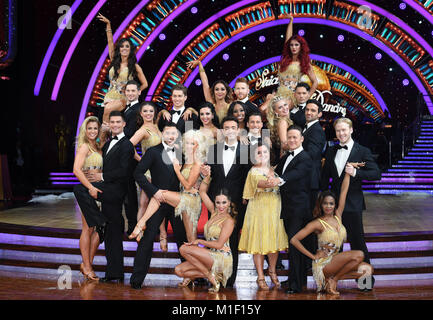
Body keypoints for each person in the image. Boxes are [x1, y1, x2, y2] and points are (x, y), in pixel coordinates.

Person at [291, 166, 374, 295]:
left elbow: (344, 191)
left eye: (331, 204)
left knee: (367, 269)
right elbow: (294, 240)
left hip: (336, 261)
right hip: (324, 264)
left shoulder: (338, 216)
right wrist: (313, 256)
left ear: (335, 205)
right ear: (321, 205)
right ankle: (331, 279)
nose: (328, 206)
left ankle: (332, 280)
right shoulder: (317, 223)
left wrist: (348, 173)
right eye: (325, 203)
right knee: (359, 254)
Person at [74, 111, 135, 283]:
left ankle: (98, 220)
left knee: (80, 190)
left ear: (124, 124)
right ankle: (111, 272)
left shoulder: (126, 144)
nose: (115, 124)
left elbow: (124, 170)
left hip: (112, 191)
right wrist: (96, 178)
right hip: (104, 191)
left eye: (118, 122)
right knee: (110, 232)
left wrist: (101, 177)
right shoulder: (105, 145)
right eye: (112, 122)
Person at [320, 118, 381, 289]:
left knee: (358, 243)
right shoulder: (331, 151)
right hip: (333, 208)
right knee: (334, 244)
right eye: (338, 131)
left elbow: (376, 174)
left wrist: (355, 172)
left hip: (353, 206)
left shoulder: (362, 151)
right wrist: (323, 203)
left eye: (344, 130)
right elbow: (325, 179)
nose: (341, 133)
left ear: (351, 130)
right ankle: (331, 282)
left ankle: (366, 282)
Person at [130, 122, 188, 289]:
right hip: (158, 201)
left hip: (176, 201)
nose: (171, 136)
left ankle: (192, 275)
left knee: (182, 239)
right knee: (148, 239)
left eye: (174, 133)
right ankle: (137, 279)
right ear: (162, 133)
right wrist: (153, 191)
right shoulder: (153, 152)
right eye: (168, 133)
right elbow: (138, 173)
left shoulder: (181, 153)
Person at [129, 130, 207, 244]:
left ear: (198, 145)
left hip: (191, 200)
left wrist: (177, 170)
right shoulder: (185, 159)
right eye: (187, 143)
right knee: (190, 240)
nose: (189, 146)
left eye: (193, 144)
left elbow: (188, 185)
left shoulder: (197, 162)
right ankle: (143, 225)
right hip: (183, 198)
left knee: (160, 194)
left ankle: (140, 224)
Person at [204, 116, 250, 287]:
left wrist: (245, 198)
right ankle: (213, 277)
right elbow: (210, 175)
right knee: (213, 235)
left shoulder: (245, 150)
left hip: (237, 202)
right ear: (222, 131)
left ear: (238, 130)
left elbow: (247, 177)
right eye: (226, 128)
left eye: (233, 127)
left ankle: (229, 279)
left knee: (232, 240)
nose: (230, 130)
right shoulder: (213, 149)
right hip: (216, 201)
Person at [238, 143, 288, 290]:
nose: (262, 154)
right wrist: (280, 180)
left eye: (265, 151)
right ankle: (260, 276)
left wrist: (280, 177)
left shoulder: (274, 169)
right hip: (259, 209)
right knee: (258, 243)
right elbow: (263, 184)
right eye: (259, 152)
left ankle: (272, 270)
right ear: (254, 155)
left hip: (275, 208)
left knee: (274, 241)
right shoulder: (253, 171)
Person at [273, 125, 313, 294]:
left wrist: (280, 180)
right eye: (289, 137)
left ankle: (295, 285)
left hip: (298, 208)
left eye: (295, 137)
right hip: (288, 207)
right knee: (294, 245)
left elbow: (296, 174)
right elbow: (277, 172)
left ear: (302, 139)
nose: (291, 140)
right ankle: (296, 279)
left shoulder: (305, 157)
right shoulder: (286, 156)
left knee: (294, 244)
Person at [175, 184, 235, 293]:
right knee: (178, 270)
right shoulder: (214, 212)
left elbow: (219, 245)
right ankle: (211, 276)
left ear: (229, 203)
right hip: (209, 255)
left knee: (184, 249)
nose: (221, 206)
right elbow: (202, 191)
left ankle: (211, 276)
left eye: (224, 202)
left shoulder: (229, 221)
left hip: (221, 257)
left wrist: (199, 241)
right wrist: (206, 176)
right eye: (218, 202)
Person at [129, 101, 169, 252]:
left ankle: (162, 233)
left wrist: (162, 112)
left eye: (150, 111)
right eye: (145, 111)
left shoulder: (156, 126)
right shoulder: (143, 130)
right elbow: (129, 145)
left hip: (159, 169)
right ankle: (139, 231)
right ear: (141, 113)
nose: (147, 114)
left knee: (160, 201)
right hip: (148, 171)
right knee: (145, 202)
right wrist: (141, 160)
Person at [73, 116, 107, 281]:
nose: (93, 131)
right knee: (88, 228)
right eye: (90, 128)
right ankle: (87, 267)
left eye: (95, 128)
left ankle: (86, 265)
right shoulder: (84, 147)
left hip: (100, 190)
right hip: (88, 191)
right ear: (84, 131)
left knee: (98, 229)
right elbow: (76, 170)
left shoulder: (99, 146)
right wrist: (90, 187)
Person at [97, 14, 148, 124]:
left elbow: (145, 84)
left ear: (130, 49)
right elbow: (110, 43)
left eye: (127, 46)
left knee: (107, 111)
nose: (124, 49)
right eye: (122, 46)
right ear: (119, 49)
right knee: (107, 116)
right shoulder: (114, 61)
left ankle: (102, 139)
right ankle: (107, 138)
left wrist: (132, 93)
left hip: (123, 98)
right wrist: (108, 25)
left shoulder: (134, 66)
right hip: (109, 96)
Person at [276, 14, 317, 103]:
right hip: (279, 93)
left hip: (292, 96)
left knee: (276, 109)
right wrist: (291, 21)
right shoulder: (286, 60)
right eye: (291, 45)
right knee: (262, 109)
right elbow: (288, 39)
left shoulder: (304, 63)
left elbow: (315, 82)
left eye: (296, 45)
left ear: (301, 47)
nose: (293, 47)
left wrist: (307, 97)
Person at [121, 80, 141, 235]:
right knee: (129, 191)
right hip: (127, 154)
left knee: (130, 192)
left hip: (134, 154)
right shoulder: (127, 108)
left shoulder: (137, 109)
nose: (131, 93)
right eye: (128, 91)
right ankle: (132, 224)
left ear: (139, 92)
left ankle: (134, 225)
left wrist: (114, 130)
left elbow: (130, 133)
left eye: (133, 91)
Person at [302, 99, 326, 211]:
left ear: (319, 114)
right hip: (306, 178)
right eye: (307, 109)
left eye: (313, 110)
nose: (309, 112)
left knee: (307, 214)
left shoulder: (316, 130)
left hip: (309, 178)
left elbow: (311, 154)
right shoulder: (307, 127)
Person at [266, 96, 293, 164]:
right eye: (280, 107)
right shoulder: (282, 122)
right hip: (284, 157)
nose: (284, 108)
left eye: (285, 105)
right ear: (275, 111)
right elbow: (284, 144)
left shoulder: (283, 120)